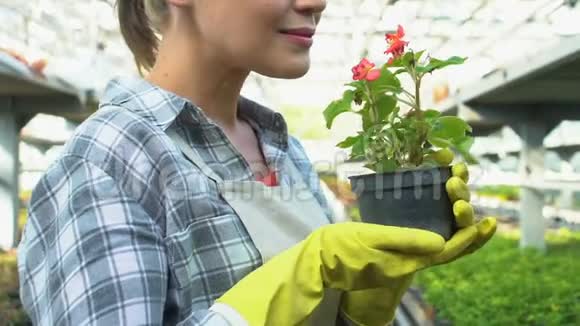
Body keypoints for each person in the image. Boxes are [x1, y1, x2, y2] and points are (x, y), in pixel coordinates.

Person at [17, 0, 497, 325]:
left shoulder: (282, 149)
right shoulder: (107, 162)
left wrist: (364, 304)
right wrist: (301, 275)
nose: (317, 2)